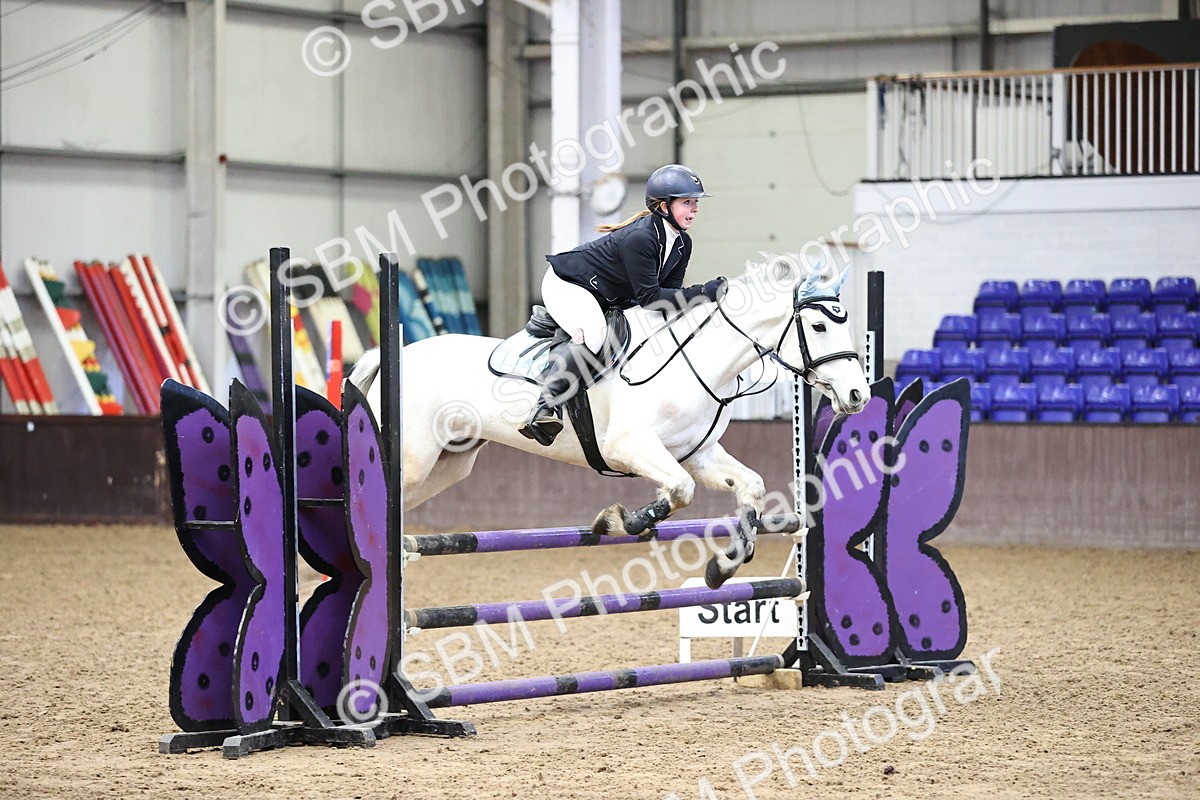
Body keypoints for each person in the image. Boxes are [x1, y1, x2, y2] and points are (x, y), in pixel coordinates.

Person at [519, 164, 727, 446]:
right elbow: (651, 299)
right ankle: (544, 407)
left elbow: (671, 297)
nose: (695, 208)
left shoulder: (682, 244)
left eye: (695, 202)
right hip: (569, 284)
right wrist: (704, 292)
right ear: (663, 207)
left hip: (604, 293)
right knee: (593, 337)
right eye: (687, 202)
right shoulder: (641, 238)